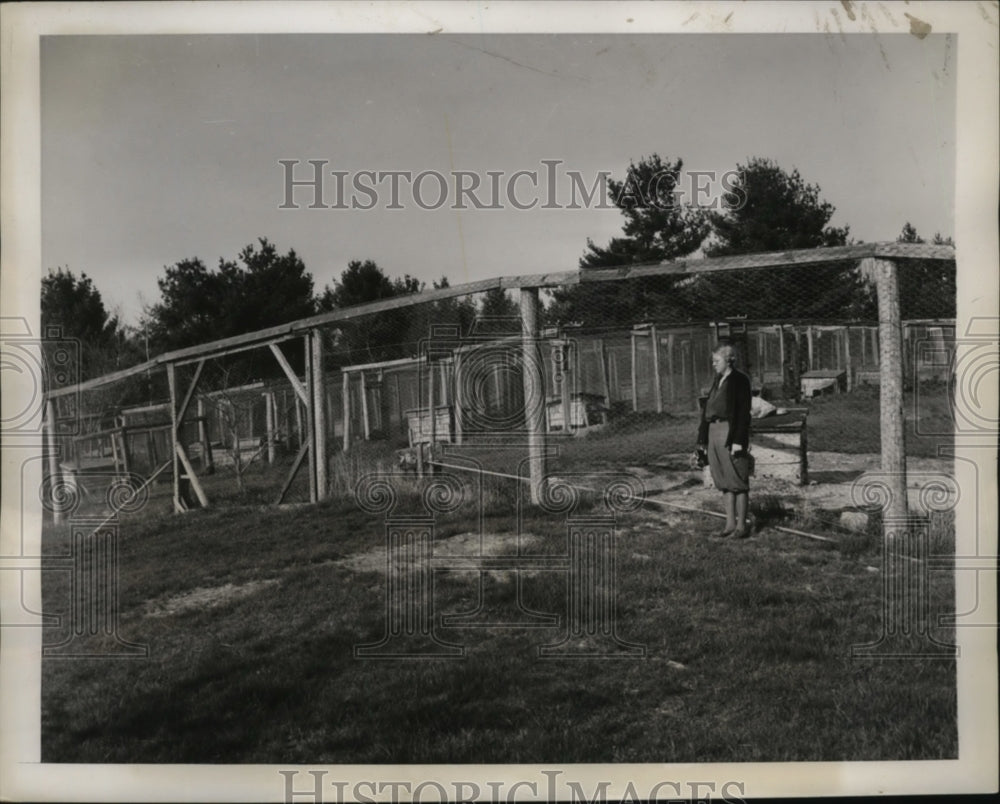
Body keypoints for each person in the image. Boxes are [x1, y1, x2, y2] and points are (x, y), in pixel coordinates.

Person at [696, 344, 753, 538]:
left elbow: (743, 412)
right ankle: (729, 524)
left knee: (737, 479)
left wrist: (738, 440)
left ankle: (741, 527)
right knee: (723, 480)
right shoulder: (718, 380)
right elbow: (706, 412)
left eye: (716, 361)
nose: (713, 364)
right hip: (714, 431)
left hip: (730, 432)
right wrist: (702, 439)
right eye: (712, 361)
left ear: (729, 360)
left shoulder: (739, 380)